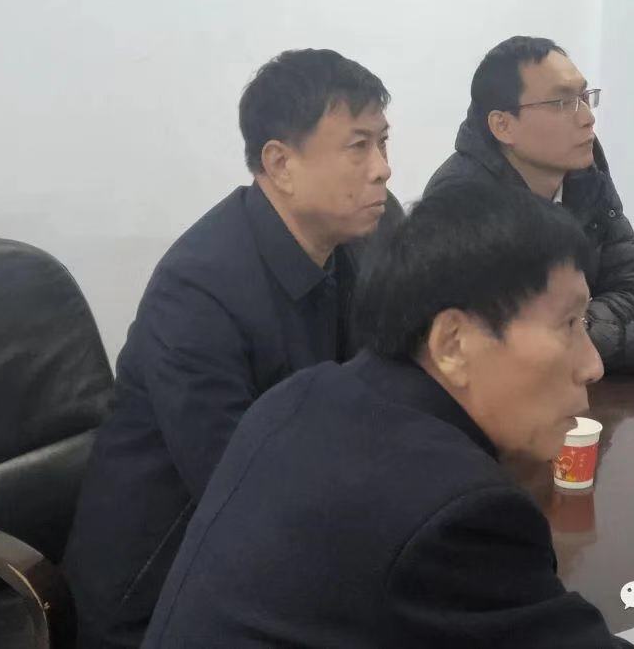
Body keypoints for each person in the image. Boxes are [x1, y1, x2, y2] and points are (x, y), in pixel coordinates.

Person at [142, 183, 634, 648]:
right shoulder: (460, 514)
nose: (593, 365)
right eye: (568, 323)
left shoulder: (301, 396)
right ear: (453, 344)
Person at [63, 48, 400, 649]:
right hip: (164, 588)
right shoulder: (198, 292)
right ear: (281, 163)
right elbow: (234, 487)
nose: (383, 170)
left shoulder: (356, 243)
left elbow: (383, 393)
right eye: (358, 147)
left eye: (383, 143)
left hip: (278, 545)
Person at [425, 35, 634, 374]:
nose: (587, 118)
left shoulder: (583, 171)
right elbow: (512, 339)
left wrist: (578, 323)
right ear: (503, 125)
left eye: (584, 97)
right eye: (562, 103)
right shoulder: (460, 200)